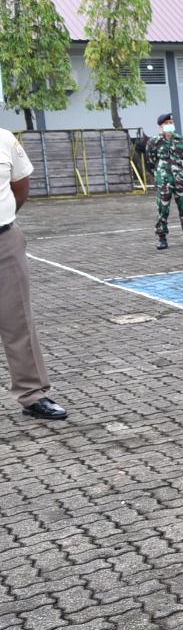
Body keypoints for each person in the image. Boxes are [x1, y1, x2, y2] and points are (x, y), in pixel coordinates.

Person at [1, 128, 67, 420]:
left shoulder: (4, 139)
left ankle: (32, 394)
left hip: (3, 241)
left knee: (18, 322)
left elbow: (20, 186)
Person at [145, 113, 183, 250]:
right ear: (160, 125)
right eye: (166, 123)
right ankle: (162, 237)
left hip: (179, 178)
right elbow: (151, 160)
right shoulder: (154, 141)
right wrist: (161, 172)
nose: (169, 125)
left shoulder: (180, 139)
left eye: (171, 122)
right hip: (164, 179)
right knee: (163, 208)